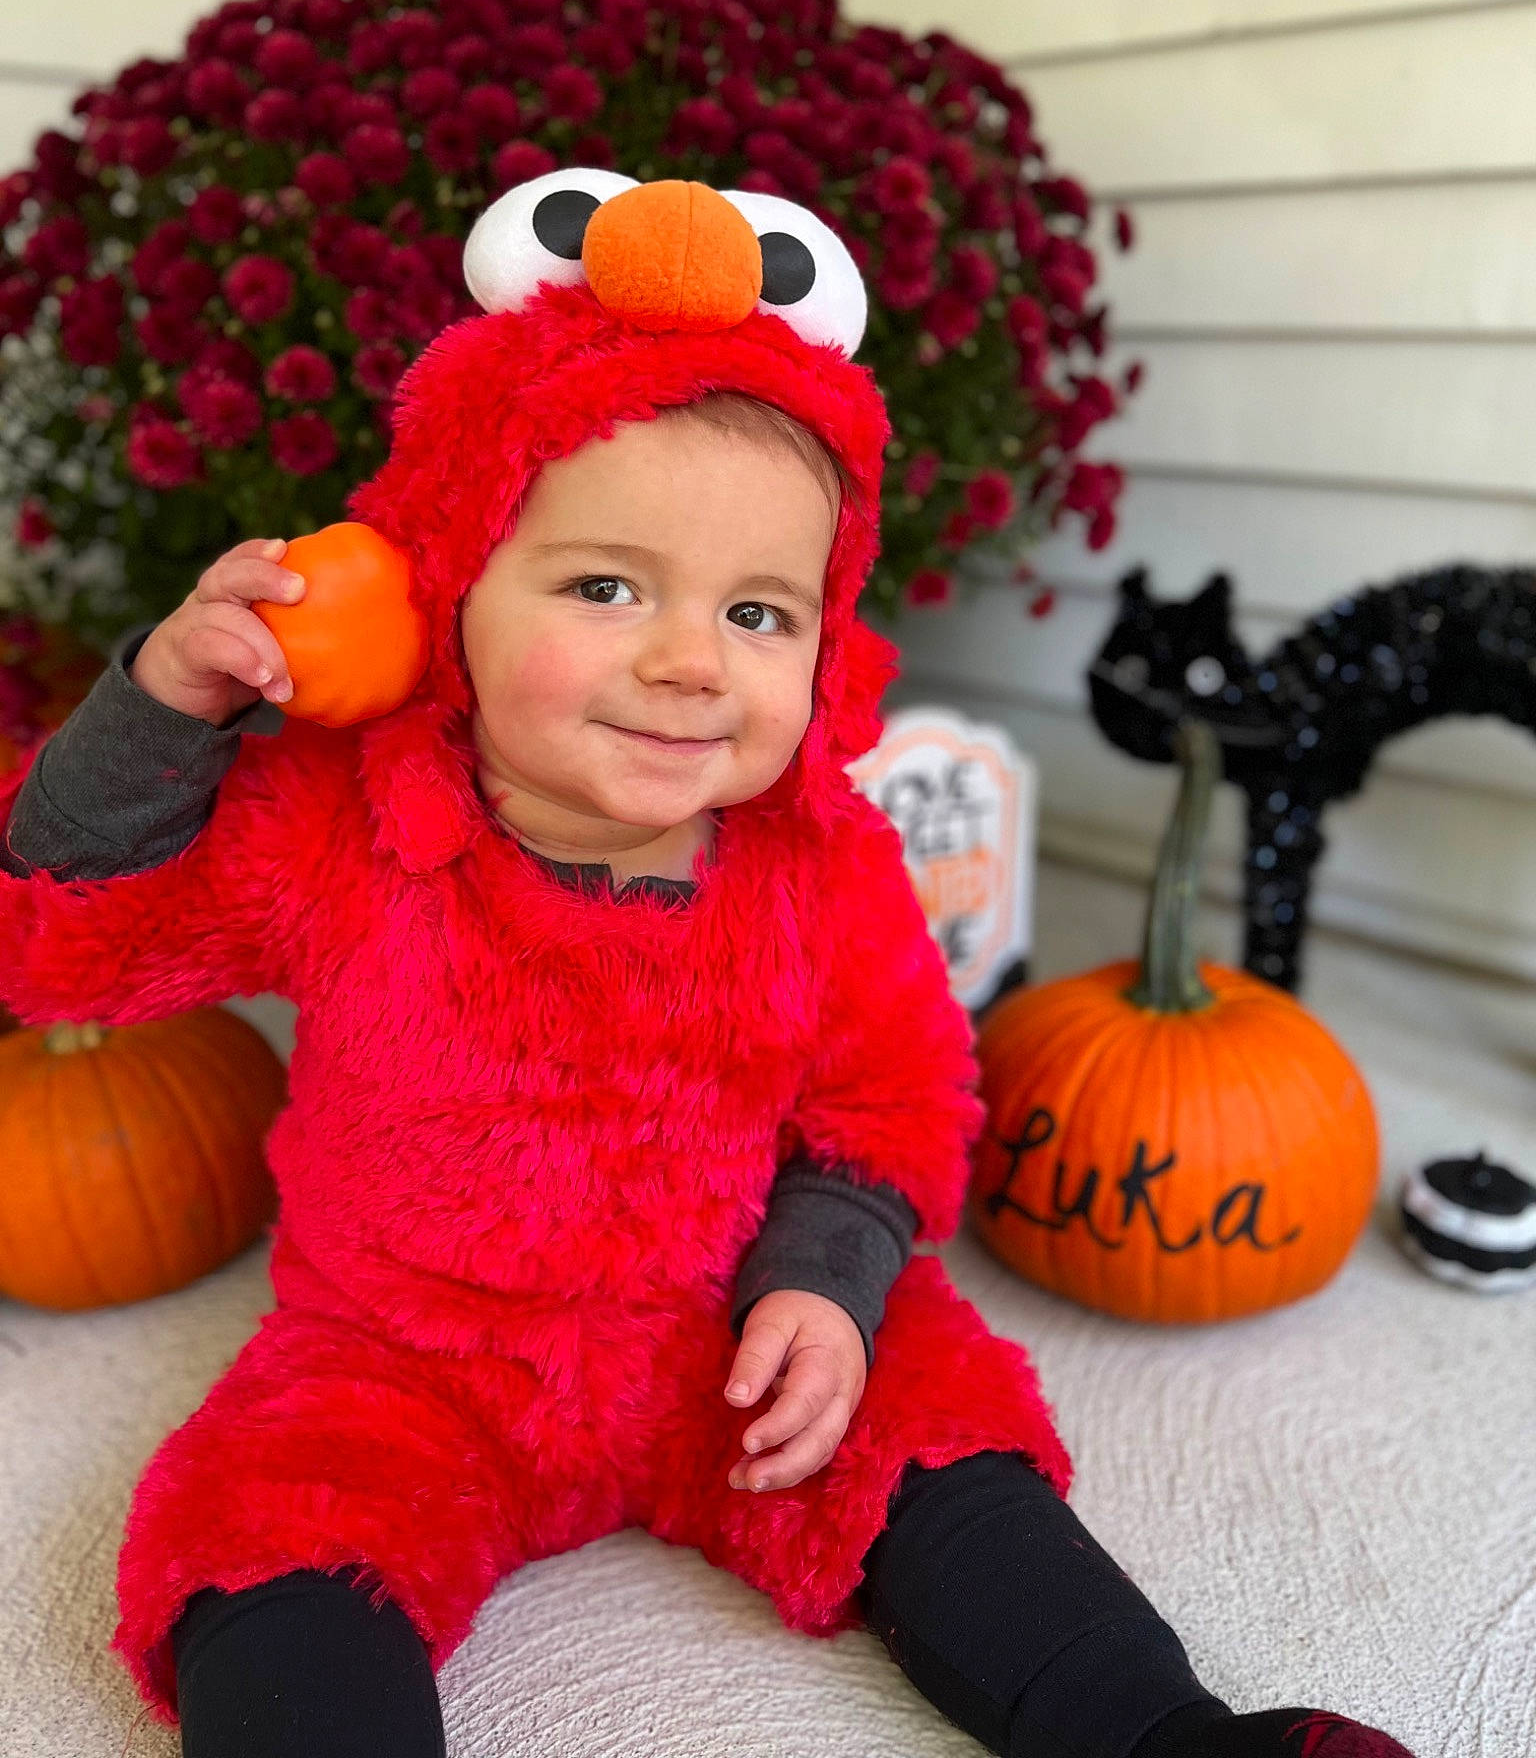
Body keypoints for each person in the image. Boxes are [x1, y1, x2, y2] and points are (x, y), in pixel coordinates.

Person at [0, 172, 1414, 1758]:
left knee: (931, 1436)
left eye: (759, 612)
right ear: (442, 591)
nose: (690, 661)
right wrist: (164, 709)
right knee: (269, 1521)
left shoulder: (820, 865)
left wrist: (827, 1283)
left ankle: (1165, 1737)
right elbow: (64, 922)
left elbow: (893, 1103)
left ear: (827, 642)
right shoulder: (347, 822)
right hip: (409, 1361)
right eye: (605, 587)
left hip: (728, 1331)